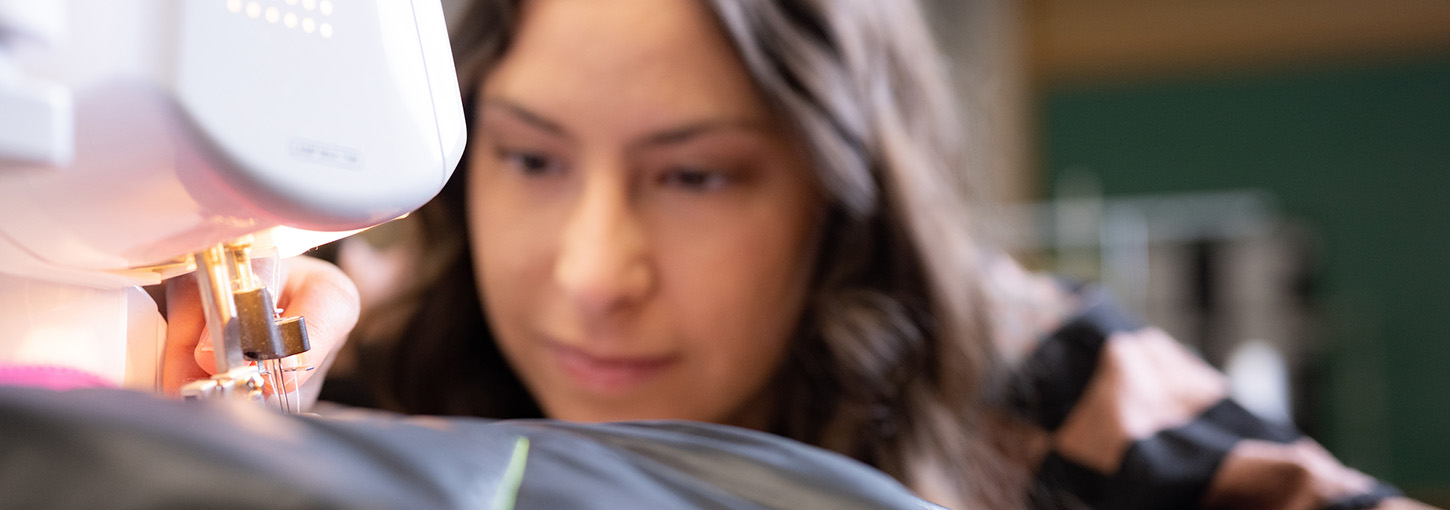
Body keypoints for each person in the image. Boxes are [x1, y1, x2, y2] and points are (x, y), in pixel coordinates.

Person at [294, 0, 1436, 508]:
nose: (595, 275)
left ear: (841, 195)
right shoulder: (363, 372)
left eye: (695, 176)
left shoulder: (1047, 378)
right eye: (532, 161)